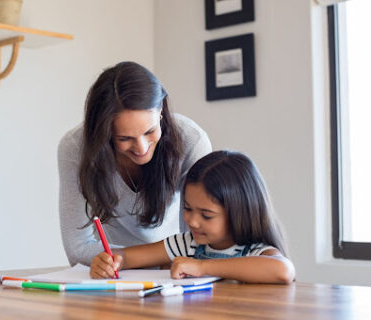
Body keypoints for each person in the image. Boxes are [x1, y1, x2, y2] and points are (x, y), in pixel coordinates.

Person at [58, 61, 212, 266]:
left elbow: (200, 239)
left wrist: (131, 258)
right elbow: (77, 247)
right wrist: (160, 256)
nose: (141, 148)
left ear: (161, 112)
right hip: (111, 273)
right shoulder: (76, 147)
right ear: (103, 134)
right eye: (124, 139)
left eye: (150, 131)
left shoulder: (192, 141)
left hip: (172, 271)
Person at [90, 151, 295, 284]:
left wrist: (201, 267)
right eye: (187, 208)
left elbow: (283, 270)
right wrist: (111, 261)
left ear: (239, 212)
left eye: (207, 215)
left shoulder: (255, 251)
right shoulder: (185, 244)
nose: (192, 222)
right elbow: (127, 257)